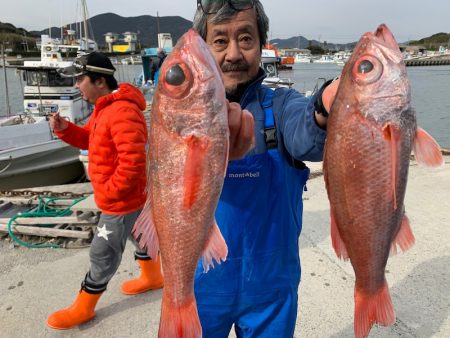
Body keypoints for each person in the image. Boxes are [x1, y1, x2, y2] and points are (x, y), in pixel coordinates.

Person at [190, 1, 339, 337]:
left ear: (261, 46)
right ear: (202, 49)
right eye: (219, 41)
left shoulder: (282, 105)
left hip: (271, 291)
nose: (233, 54)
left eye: (245, 39)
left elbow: (308, 139)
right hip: (200, 287)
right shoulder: (186, 114)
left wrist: (325, 105)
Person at [46, 51, 164, 330]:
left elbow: (134, 161)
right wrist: (66, 129)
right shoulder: (105, 107)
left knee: (102, 252)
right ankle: (152, 277)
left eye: (80, 79)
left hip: (120, 202)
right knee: (141, 237)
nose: (76, 85)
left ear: (99, 81)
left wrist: (111, 192)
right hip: (128, 199)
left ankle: (84, 307)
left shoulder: (121, 111)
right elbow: (91, 138)